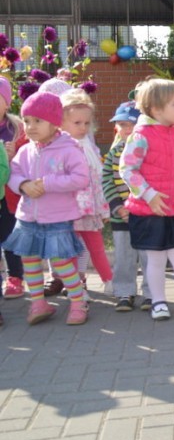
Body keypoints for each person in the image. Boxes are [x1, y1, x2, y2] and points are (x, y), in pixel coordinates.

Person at [120, 79, 174, 322]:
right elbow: (128, 169)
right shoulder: (140, 136)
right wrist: (148, 194)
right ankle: (158, 302)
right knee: (156, 260)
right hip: (150, 211)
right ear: (156, 109)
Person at [7, 92, 89, 325]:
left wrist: (48, 183)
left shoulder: (69, 149)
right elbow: (13, 174)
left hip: (57, 219)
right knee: (30, 261)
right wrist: (23, 185)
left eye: (37, 121)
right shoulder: (25, 150)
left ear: (54, 123)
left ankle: (78, 302)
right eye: (26, 121)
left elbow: (81, 178)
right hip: (27, 218)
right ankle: (38, 303)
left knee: (62, 263)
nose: (30, 126)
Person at [60, 89, 112, 288]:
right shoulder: (61, 148)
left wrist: (103, 207)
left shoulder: (90, 146)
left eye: (86, 123)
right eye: (77, 123)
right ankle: (75, 286)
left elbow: (98, 179)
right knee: (72, 250)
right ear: (61, 122)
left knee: (96, 248)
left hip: (90, 210)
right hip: (69, 211)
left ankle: (109, 281)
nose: (83, 128)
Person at [103, 101, 151, 312]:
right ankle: (124, 292)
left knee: (149, 257)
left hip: (145, 215)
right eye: (122, 125)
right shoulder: (114, 153)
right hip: (120, 216)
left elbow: (152, 181)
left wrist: (142, 206)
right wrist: (118, 207)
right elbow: (106, 180)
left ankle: (152, 293)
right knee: (124, 257)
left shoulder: (148, 152)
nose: (127, 129)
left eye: (132, 124)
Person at [0, 76, 25, 300]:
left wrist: (13, 155)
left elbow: (28, 158)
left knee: (9, 235)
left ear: (7, 103)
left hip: (9, 194)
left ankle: (15, 277)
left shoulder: (16, 128)